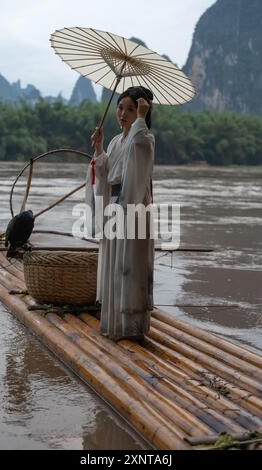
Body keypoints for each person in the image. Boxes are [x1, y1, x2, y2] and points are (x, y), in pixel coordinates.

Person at [85, 86, 155, 341]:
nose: (123, 113)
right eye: (120, 107)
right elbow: (105, 174)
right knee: (115, 265)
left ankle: (133, 329)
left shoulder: (144, 136)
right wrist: (100, 149)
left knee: (130, 266)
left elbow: (137, 167)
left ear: (143, 111)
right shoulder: (116, 140)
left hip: (134, 209)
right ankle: (115, 324)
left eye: (131, 109)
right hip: (115, 207)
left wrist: (140, 122)